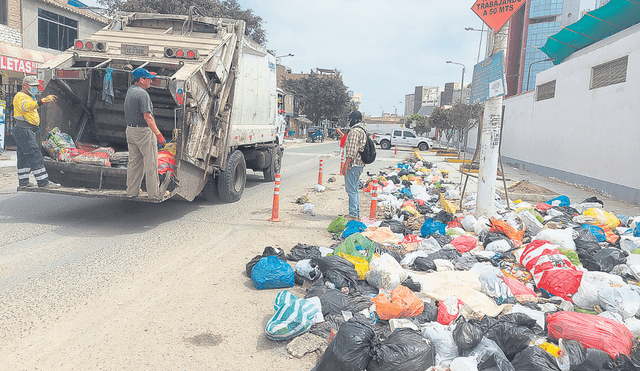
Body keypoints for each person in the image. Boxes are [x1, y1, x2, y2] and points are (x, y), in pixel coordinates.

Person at [124, 67, 166, 199]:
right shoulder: (143, 94)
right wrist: (159, 135)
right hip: (143, 132)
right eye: (148, 79)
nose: (151, 82)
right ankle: (154, 194)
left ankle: (132, 191)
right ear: (141, 80)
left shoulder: (130, 91)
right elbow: (147, 116)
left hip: (130, 130)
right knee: (151, 163)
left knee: (134, 163)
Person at [12, 75, 59, 190]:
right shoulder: (21, 96)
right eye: (32, 86)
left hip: (24, 130)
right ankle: (43, 182)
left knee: (23, 156)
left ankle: (23, 182)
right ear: (25, 86)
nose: (35, 88)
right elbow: (26, 107)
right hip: (24, 131)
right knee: (35, 155)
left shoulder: (28, 96)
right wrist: (42, 101)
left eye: (36, 86)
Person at [340, 110, 367, 220]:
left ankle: (353, 214)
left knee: (351, 190)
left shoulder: (354, 132)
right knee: (354, 190)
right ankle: (356, 212)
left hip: (354, 165)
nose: (349, 121)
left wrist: (345, 166)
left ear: (354, 120)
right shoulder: (362, 130)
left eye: (350, 119)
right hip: (359, 164)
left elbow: (351, 152)